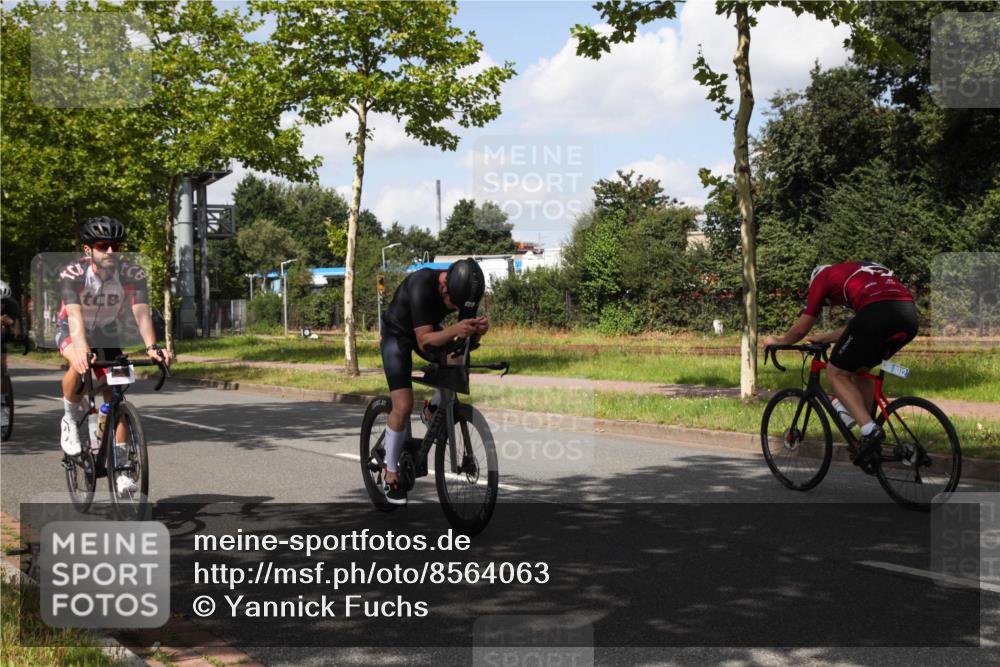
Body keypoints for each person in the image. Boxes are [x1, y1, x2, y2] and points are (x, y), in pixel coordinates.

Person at [57, 217, 173, 493]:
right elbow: (73, 316)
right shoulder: (71, 274)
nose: (111, 252)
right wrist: (82, 349)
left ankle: (121, 469)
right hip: (73, 327)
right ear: (89, 250)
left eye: (116, 246)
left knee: (117, 394)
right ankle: (71, 419)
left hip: (107, 331)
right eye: (103, 245)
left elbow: (141, 312)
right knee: (78, 361)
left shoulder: (133, 273)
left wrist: (152, 347)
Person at [762, 262, 918, 466]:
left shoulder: (823, 276)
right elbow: (857, 327)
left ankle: (869, 430)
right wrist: (825, 337)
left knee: (835, 372)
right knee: (860, 369)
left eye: (827, 302)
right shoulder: (856, 273)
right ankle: (868, 435)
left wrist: (779, 341)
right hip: (909, 315)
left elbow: (802, 328)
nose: (831, 304)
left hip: (878, 313)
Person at [379, 258, 488, 505]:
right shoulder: (421, 284)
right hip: (398, 336)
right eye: (451, 302)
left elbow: (460, 338)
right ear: (443, 284)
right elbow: (424, 341)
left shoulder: (464, 290)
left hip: (428, 330)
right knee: (403, 405)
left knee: (457, 358)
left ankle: (433, 408)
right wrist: (455, 329)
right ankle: (391, 471)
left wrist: (477, 328)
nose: (453, 306)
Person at [1, 280, 20, 376]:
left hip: (3, 329)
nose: (1, 304)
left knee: (4, 331)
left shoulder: (13, 305)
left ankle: (3, 370)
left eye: (3, 301)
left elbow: (11, 321)